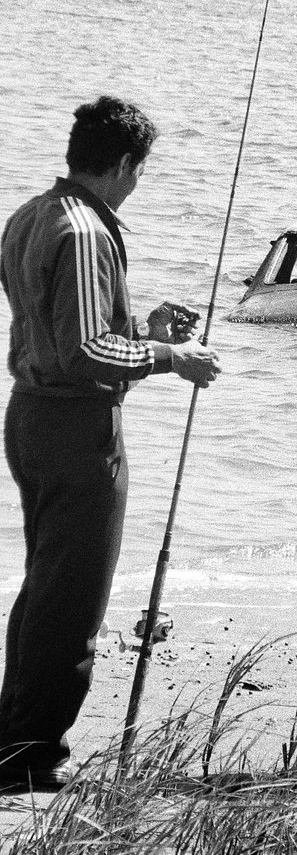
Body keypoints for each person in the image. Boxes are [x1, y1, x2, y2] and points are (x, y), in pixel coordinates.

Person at [0, 95, 221, 790]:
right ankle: (28, 756)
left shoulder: (31, 214)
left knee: (45, 586)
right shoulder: (89, 231)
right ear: (123, 163)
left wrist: (145, 327)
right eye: (139, 170)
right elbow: (87, 350)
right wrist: (172, 358)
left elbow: (55, 325)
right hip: (76, 429)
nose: (136, 183)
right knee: (73, 601)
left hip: (29, 416)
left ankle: (14, 736)